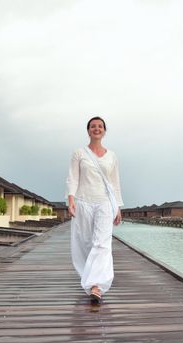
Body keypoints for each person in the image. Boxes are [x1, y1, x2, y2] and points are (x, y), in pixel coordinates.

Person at [66, 116, 123, 303]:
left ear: (104, 131)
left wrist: (118, 207)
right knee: (84, 241)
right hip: (83, 202)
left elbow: (115, 183)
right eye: (93, 126)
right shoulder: (79, 153)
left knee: (102, 243)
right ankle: (88, 279)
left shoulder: (112, 156)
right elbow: (72, 178)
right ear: (88, 130)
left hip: (105, 203)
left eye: (100, 126)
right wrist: (71, 199)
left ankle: (97, 285)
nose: (96, 129)